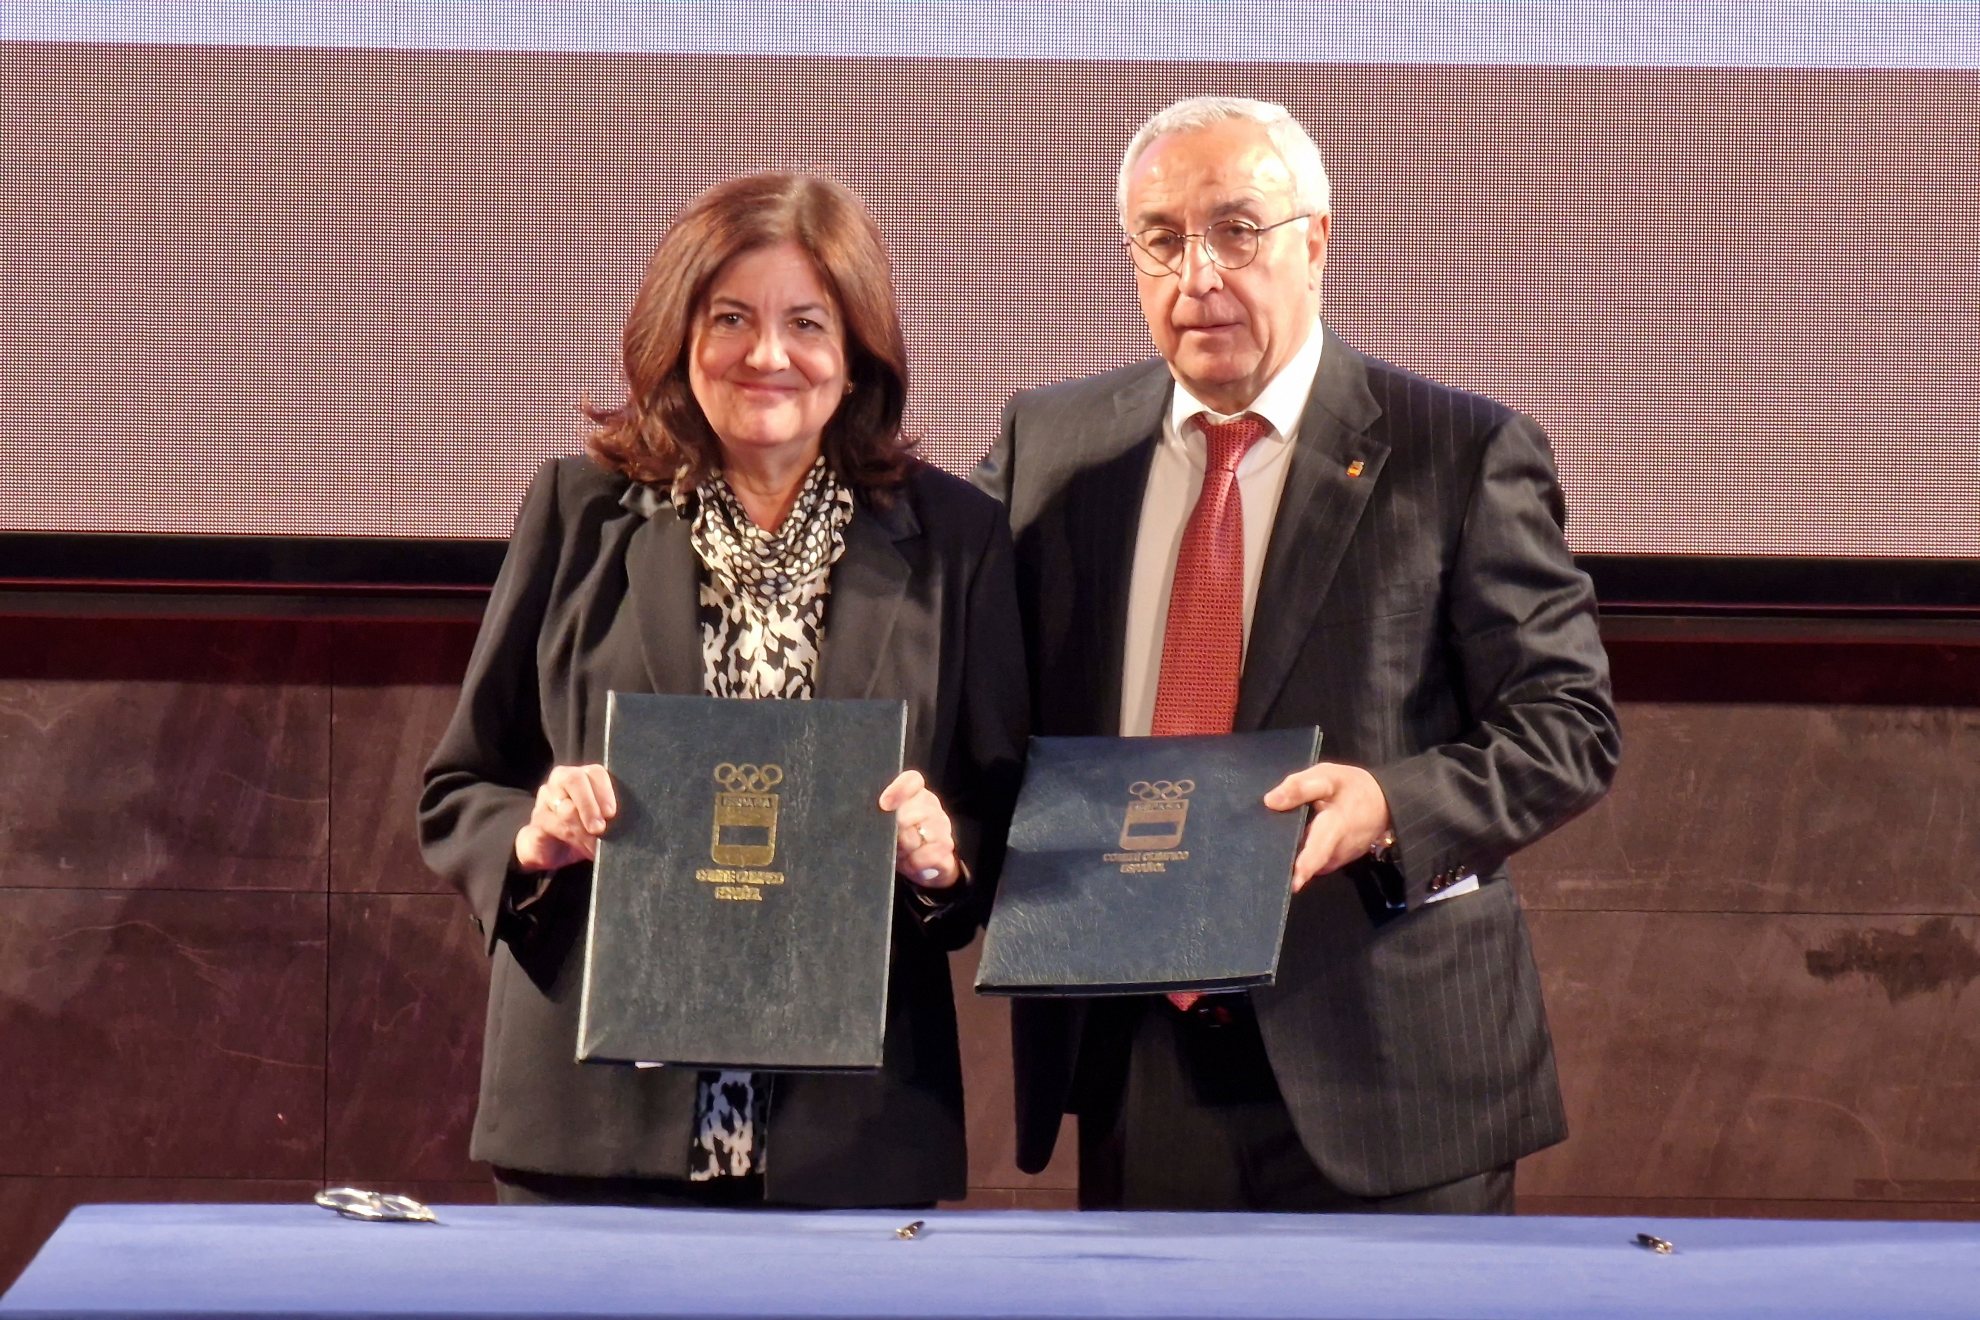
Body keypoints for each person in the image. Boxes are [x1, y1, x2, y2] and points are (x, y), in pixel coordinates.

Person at [975, 96, 1621, 1214]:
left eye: (1238, 230)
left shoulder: (1457, 454)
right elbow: (965, 688)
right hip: (1140, 1051)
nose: (1198, 277)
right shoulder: (1052, 447)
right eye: (1162, 240)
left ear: (1315, 241)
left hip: (1393, 1068)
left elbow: (1568, 725)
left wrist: (1390, 804)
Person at [420, 172, 1027, 1209]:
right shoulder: (577, 514)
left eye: (806, 321)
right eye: (731, 318)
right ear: (679, 335)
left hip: (854, 1136)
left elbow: (1000, 808)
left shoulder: (953, 541)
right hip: (590, 1125)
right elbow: (462, 786)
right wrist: (534, 837)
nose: (768, 354)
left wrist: (942, 855)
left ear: (859, 350)